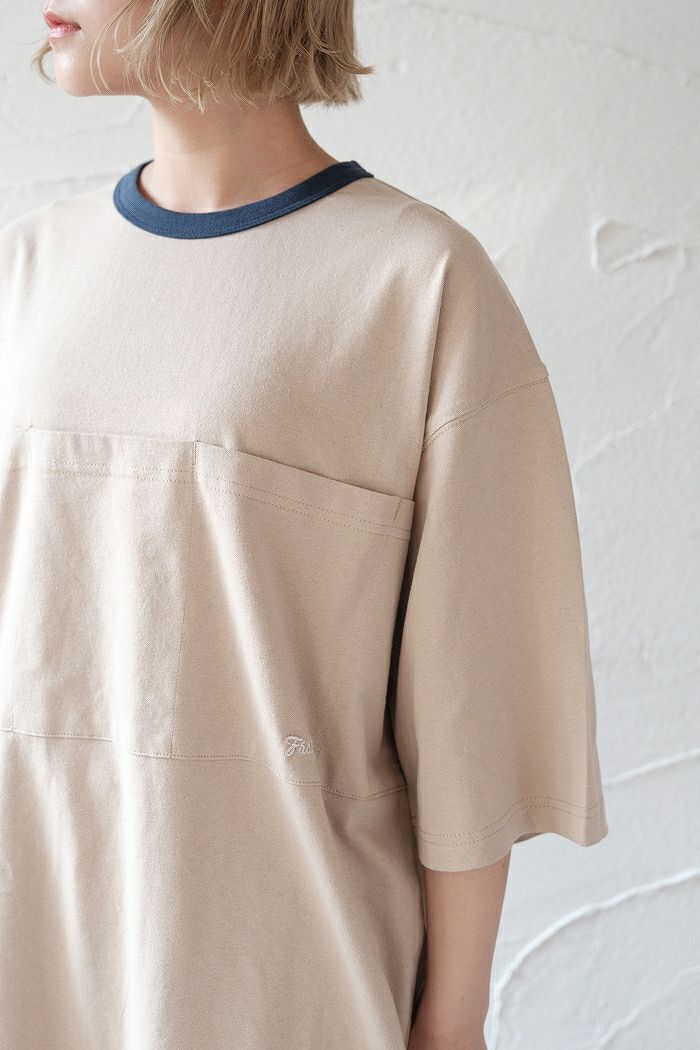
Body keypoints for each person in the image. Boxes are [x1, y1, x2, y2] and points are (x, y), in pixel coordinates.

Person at [0, 3, 609, 1049]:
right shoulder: (30, 269)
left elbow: (472, 714)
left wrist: (453, 1021)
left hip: (274, 981)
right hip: (30, 955)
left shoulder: (418, 285)